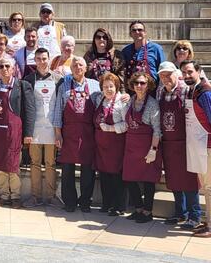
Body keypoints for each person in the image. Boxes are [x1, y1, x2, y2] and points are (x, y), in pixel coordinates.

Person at [0, 56, 35, 208]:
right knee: (0, 164)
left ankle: (16, 197)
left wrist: (28, 133)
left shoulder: (22, 85)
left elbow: (30, 110)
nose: (4, 69)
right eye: (1, 67)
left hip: (15, 131)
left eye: (7, 66)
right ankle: (3, 196)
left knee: (13, 165)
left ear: (13, 69)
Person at [52, 57, 100, 212]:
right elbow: (58, 111)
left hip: (88, 133)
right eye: (74, 65)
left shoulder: (95, 85)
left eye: (80, 64)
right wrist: (58, 134)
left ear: (86, 68)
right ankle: (70, 202)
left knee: (88, 169)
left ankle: (85, 201)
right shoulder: (64, 85)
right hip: (69, 133)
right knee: (67, 170)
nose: (77, 67)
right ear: (70, 68)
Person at [157, 61, 201, 228]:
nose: (166, 78)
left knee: (189, 181)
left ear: (177, 74)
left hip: (185, 143)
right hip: (168, 144)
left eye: (168, 74)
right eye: (162, 75)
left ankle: (194, 215)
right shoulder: (161, 91)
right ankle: (180, 213)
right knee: (174, 181)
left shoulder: (186, 90)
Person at [23, 48, 62, 208]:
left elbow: (60, 104)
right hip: (35, 127)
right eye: (38, 59)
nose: (41, 61)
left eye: (44, 58)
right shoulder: (28, 79)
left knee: (51, 163)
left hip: (52, 127)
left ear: (49, 59)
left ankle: (52, 196)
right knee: (35, 163)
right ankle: (35, 196)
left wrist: (59, 130)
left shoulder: (58, 79)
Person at [123, 72, 162, 223]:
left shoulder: (152, 104)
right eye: (137, 83)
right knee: (129, 178)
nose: (139, 86)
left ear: (148, 85)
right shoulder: (129, 101)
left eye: (143, 83)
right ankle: (138, 209)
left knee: (148, 180)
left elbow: (157, 129)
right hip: (131, 147)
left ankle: (147, 212)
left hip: (147, 148)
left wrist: (153, 149)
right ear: (132, 85)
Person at [181, 60, 211, 238]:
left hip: (207, 146)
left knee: (209, 187)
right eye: (183, 72)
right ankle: (207, 222)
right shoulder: (193, 91)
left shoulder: (204, 93)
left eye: (190, 72)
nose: (186, 76)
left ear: (199, 71)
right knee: (205, 187)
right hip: (198, 145)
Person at [92, 72, 128, 216]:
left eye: (111, 86)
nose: (108, 89)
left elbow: (127, 124)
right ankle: (106, 204)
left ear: (117, 86)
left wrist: (111, 128)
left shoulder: (122, 101)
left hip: (116, 146)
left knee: (117, 177)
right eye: (105, 87)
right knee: (104, 176)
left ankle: (119, 206)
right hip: (101, 147)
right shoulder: (100, 99)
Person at [122, 20, 165, 86]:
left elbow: (162, 69)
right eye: (134, 30)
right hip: (133, 90)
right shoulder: (126, 51)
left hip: (152, 90)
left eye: (140, 30)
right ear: (130, 34)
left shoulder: (156, 48)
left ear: (145, 32)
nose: (137, 32)